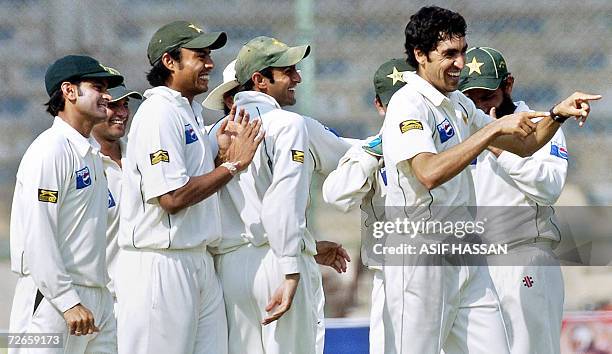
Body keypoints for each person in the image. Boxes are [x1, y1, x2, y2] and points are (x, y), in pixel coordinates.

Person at [381, 6, 600, 354]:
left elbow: (523, 144)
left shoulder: (458, 106)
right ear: (420, 56)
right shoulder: (408, 105)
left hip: (469, 258)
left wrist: (557, 115)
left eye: (462, 51)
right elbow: (428, 173)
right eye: (449, 54)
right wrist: (493, 129)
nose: (459, 63)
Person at [115, 21, 263, 354]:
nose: (209, 63)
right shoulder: (158, 113)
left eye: (209, 55)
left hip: (198, 260)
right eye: (199, 55)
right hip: (159, 264)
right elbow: (171, 197)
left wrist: (218, 156)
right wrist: (232, 165)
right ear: (169, 61)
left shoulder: (189, 112)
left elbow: (188, 183)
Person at [208, 37, 350, 354]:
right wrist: (290, 267)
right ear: (259, 80)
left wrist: (307, 248)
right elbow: (283, 202)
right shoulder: (288, 125)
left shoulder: (211, 133)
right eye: (288, 71)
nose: (297, 78)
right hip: (277, 263)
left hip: (227, 269)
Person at [9, 54, 124, 354]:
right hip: (50, 301)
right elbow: (38, 233)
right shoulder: (50, 151)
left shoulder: (92, 155)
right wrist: (66, 300)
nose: (107, 96)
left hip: (97, 298)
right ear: (69, 91)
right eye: (98, 86)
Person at [459, 47, 567, 354]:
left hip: (522, 256)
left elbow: (549, 187)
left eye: (488, 97)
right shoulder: (463, 130)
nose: (481, 107)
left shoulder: (542, 124)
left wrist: (497, 145)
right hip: (473, 264)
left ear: (508, 85)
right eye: (472, 99)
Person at [322, 58, 413, 354]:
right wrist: (373, 153)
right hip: (393, 278)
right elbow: (337, 196)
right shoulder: (370, 150)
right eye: (393, 103)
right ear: (379, 105)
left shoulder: (445, 142)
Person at [90, 80, 142, 311]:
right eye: (114, 106)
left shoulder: (140, 152)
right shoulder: (80, 161)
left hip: (141, 293)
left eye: (126, 105)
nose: (122, 113)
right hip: (98, 298)